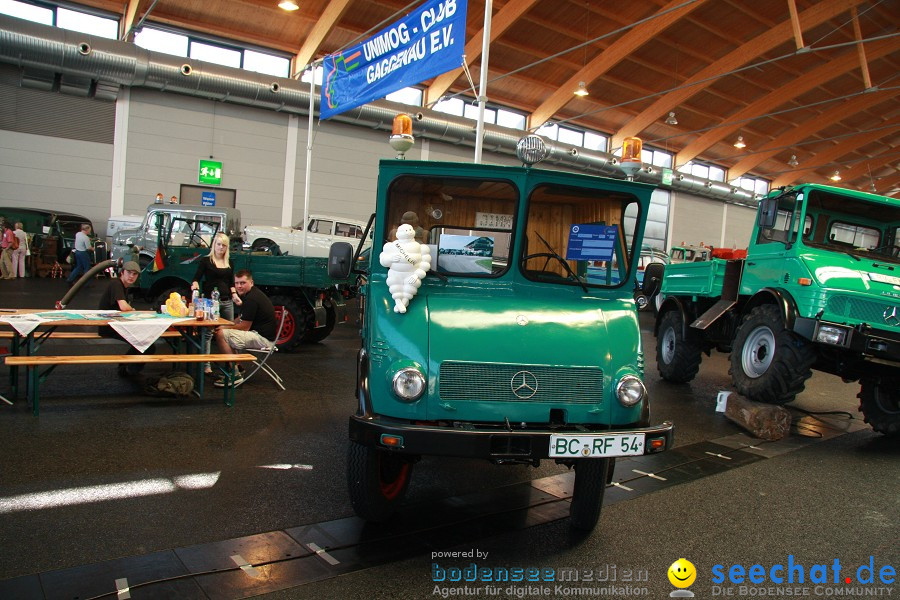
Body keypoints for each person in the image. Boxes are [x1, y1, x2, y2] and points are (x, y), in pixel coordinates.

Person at [213, 269, 276, 387]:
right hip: (261, 335)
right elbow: (240, 319)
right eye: (237, 283)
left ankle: (235, 374)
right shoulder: (251, 295)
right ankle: (238, 368)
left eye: (243, 283)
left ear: (251, 282)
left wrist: (223, 329)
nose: (239, 286)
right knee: (225, 332)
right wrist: (226, 325)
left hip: (263, 339)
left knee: (221, 335)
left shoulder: (252, 299)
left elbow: (244, 327)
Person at [191, 232, 237, 377]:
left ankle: (230, 363)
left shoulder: (229, 262)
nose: (221, 247)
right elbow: (196, 278)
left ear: (227, 247)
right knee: (208, 334)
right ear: (214, 245)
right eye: (218, 244)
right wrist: (195, 287)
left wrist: (235, 295)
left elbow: (230, 282)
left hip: (227, 301)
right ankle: (206, 365)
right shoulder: (206, 261)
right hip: (211, 302)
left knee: (229, 333)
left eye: (224, 245)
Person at [98, 261, 154, 376]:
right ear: (122, 272)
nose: (131, 276)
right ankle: (130, 370)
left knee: (145, 341)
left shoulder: (123, 287)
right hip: (109, 327)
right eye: (129, 273)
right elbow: (123, 306)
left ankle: (125, 365)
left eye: (135, 274)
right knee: (148, 344)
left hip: (115, 324)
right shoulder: (116, 284)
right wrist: (132, 310)